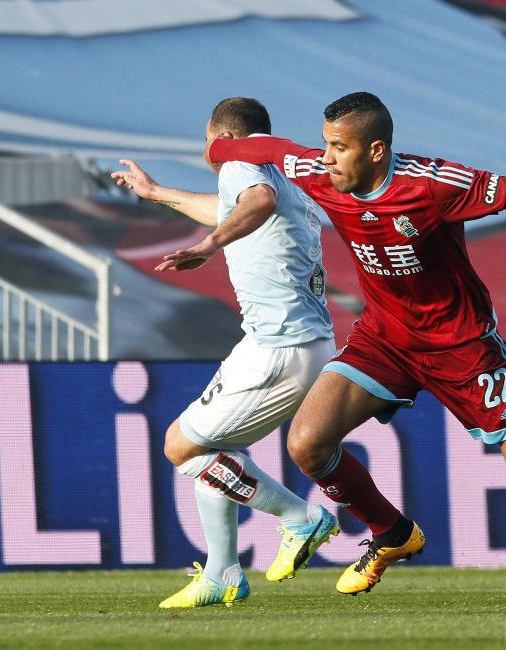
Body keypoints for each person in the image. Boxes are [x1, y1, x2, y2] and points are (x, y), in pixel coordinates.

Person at [207, 91, 506, 605]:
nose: (325, 158)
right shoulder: (317, 169)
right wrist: (217, 151)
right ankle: (392, 533)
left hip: (463, 348)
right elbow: (262, 149)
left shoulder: (434, 185)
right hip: (386, 340)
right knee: (307, 443)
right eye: (325, 144)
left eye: (338, 147)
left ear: (376, 150)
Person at [111, 97, 339, 608]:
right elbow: (235, 207)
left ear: (218, 136)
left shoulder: (241, 166)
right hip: (304, 343)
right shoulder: (287, 178)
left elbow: (252, 202)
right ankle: (221, 573)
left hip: (278, 348)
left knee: (181, 447)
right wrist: (155, 194)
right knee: (215, 453)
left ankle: (300, 518)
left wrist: (209, 246)